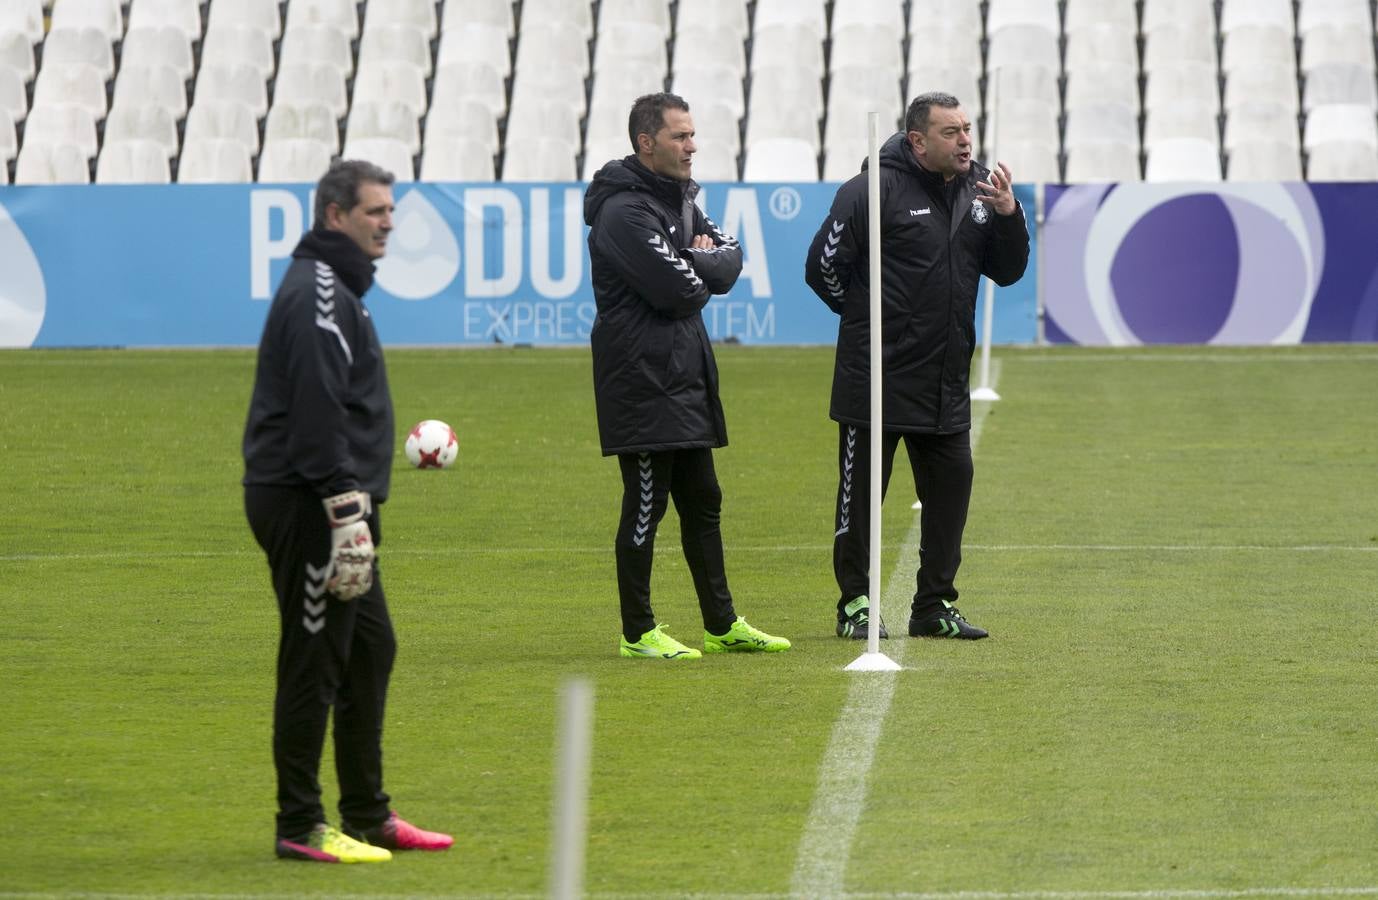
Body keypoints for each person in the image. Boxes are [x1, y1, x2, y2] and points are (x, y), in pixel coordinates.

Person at [243, 159, 453, 863]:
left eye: (392, 210)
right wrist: (343, 510)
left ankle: (367, 814)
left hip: (338, 502)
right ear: (335, 215)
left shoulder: (337, 289)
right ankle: (299, 824)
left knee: (369, 649)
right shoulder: (319, 296)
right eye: (375, 211)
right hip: (310, 504)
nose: (389, 221)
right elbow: (314, 413)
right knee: (314, 659)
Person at [803, 92, 1030, 642]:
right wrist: (866, 322)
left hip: (944, 381)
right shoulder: (871, 189)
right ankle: (855, 603)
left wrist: (1008, 215)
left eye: (968, 129)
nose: (965, 141)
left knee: (952, 491)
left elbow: (1009, 271)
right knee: (861, 499)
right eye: (952, 132)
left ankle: (933, 606)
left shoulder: (981, 191)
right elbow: (822, 268)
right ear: (917, 140)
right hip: (875, 380)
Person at [584, 92, 791, 660]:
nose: (692, 145)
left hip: (686, 374)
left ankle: (721, 624)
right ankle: (637, 632)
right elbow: (684, 289)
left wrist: (692, 256)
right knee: (646, 502)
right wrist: (695, 260)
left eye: (693, 135)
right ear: (646, 142)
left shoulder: (681, 200)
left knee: (704, 499)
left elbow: (731, 259)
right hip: (641, 378)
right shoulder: (624, 212)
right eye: (680, 136)